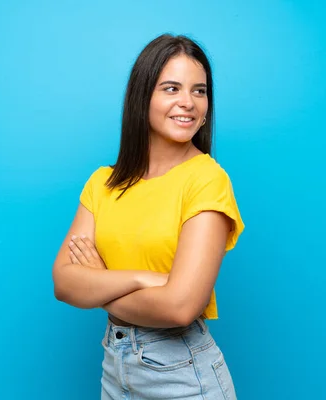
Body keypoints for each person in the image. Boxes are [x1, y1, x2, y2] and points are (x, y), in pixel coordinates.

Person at [52, 33, 244, 399]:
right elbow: (64, 283)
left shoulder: (206, 180)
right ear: (143, 97)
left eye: (199, 91)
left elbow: (180, 307)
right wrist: (144, 278)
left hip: (182, 374)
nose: (188, 103)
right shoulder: (103, 183)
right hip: (115, 367)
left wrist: (98, 285)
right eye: (171, 88)